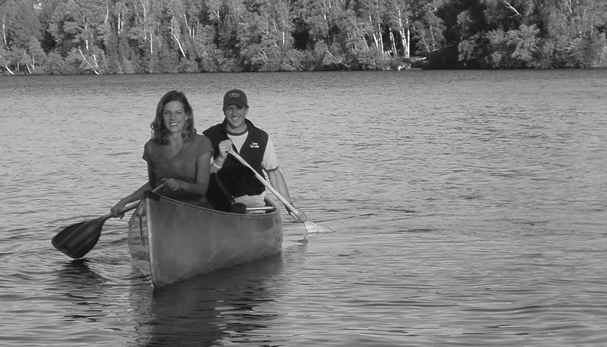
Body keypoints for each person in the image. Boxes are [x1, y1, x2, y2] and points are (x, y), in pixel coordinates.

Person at [202, 89, 305, 220]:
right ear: (223, 110)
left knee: (255, 209)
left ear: (247, 110)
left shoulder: (261, 138)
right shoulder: (208, 137)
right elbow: (202, 178)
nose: (235, 113)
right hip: (217, 198)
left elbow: (274, 174)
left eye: (239, 108)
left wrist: (290, 207)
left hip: (251, 199)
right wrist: (220, 158)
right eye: (230, 108)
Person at [111, 90, 213, 216]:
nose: (173, 118)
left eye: (178, 113)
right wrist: (125, 201)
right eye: (167, 113)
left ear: (187, 116)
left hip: (195, 211)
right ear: (161, 116)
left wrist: (180, 185)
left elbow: (202, 189)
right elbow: (153, 185)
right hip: (164, 212)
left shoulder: (202, 144)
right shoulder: (151, 147)